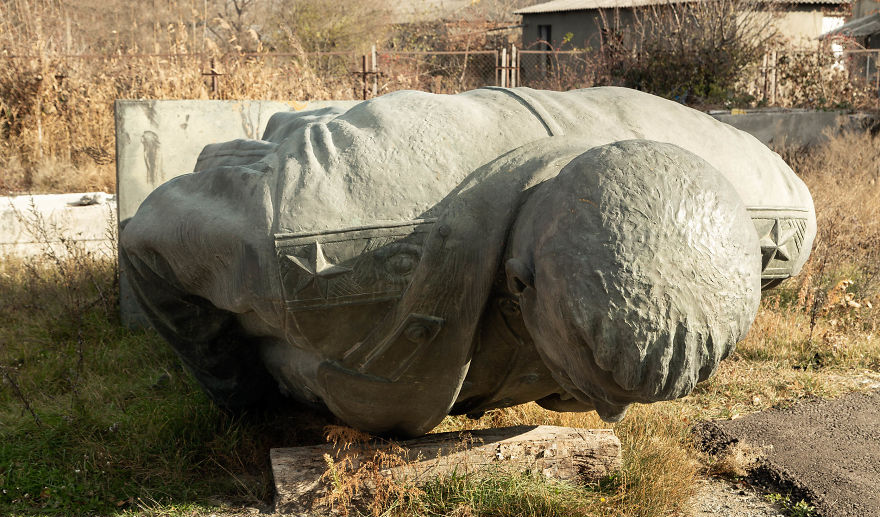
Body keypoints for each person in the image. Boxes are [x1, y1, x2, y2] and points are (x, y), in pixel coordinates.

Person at [121, 87, 814, 436]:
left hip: (476, 147)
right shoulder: (312, 243)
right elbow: (151, 247)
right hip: (344, 173)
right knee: (263, 175)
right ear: (520, 281)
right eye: (594, 379)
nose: (608, 415)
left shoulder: (772, 222)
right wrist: (248, 403)